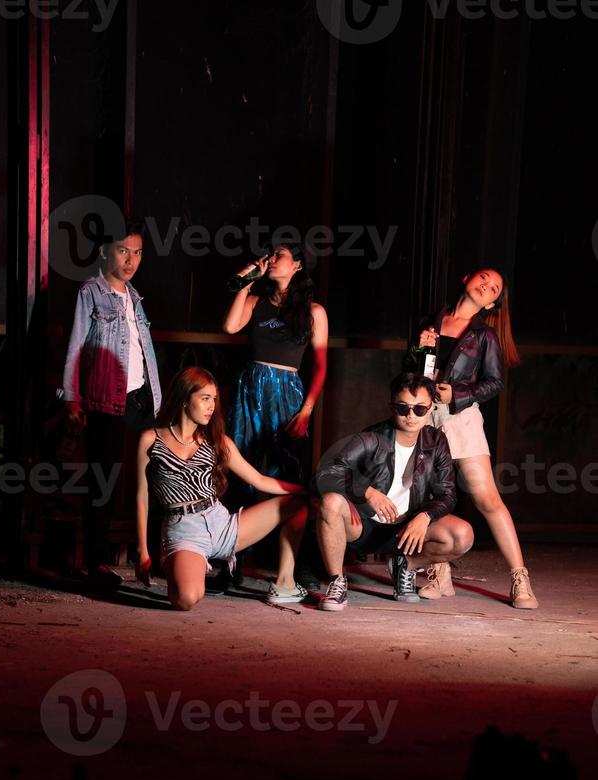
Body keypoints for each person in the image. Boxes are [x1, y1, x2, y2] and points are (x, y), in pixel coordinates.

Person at [404, 268, 538, 609]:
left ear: (493, 302)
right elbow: (410, 372)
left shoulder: (485, 335)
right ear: (465, 278)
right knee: (428, 496)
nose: (486, 286)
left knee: (487, 499)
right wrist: (417, 350)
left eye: (493, 288)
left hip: (460, 418)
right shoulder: (431, 321)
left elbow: (495, 382)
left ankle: (520, 578)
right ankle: (439, 573)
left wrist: (458, 395)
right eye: (483, 278)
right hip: (423, 416)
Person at [135, 367, 309, 611]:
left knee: (300, 504)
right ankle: (184, 564)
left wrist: (306, 490)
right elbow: (141, 496)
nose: (211, 407)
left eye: (214, 400)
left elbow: (260, 480)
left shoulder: (218, 442)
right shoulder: (151, 440)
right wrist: (142, 550)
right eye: (205, 399)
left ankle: (285, 582)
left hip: (222, 523)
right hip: (184, 531)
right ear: (185, 399)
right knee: (187, 599)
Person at [314, 373, 474, 611]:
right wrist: (367, 492)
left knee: (462, 535)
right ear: (392, 406)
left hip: (407, 531)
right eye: (403, 408)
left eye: (420, 409)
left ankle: (405, 565)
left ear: (431, 409)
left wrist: (425, 516)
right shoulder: (371, 437)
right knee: (330, 503)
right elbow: (325, 473)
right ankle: (338, 581)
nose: (411, 415)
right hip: (363, 525)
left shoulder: (436, 441)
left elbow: (448, 494)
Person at [60, 220, 162, 586]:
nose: (131, 260)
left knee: (147, 478)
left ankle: (148, 553)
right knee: (104, 478)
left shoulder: (135, 296)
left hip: (140, 399)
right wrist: (71, 399)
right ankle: (98, 562)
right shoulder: (91, 292)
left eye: (137, 253)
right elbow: (74, 347)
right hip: (105, 400)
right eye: (123, 250)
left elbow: (142, 351)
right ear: (105, 251)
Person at [223, 241, 328, 589]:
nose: (271, 260)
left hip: (288, 394)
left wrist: (307, 409)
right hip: (250, 390)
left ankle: (299, 564)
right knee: (240, 470)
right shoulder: (256, 302)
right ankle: (230, 559)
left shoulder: (314, 312)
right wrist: (246, 282)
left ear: (297, 265)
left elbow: (321, 367)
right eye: (269, 255)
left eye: (279, 255)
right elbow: (230, 327)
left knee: (290, 474)